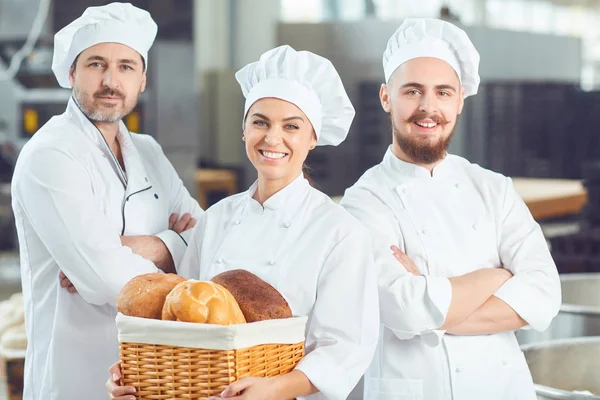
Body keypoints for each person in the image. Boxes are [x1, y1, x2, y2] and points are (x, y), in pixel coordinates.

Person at [107, 45, 379, 400]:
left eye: (291, 126)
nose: (272, 138)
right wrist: (135, 372)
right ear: (244, 129)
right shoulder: (216, 218)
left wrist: (273, 388)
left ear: (313, 138)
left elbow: (345, 348)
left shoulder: (340, 232)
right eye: (260, 122)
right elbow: (178, 318)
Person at [340, 18, 561, 400]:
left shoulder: (495, 189)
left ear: (460, 100)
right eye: (412, 91)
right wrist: (498, 277)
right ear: (385, 97)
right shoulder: (363, 200)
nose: (428, 108)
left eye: (443, 92)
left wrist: (432, 314)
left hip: (501, 388)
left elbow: (544, 294)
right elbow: (403, 310)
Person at [11, 3, 203, 399]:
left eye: (126, 66)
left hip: (153, 376)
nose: (111, 80)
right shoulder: (51, 155)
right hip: (76, 376)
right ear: (71, 73)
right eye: (96, 64)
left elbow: (205, 240)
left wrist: (149, 247)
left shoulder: (149, 152)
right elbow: (104, 279)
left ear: (143, 80)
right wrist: (173, 249)